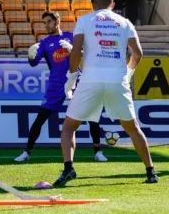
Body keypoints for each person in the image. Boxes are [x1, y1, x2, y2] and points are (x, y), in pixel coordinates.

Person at [52, 0, 159, 187]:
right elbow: (138, 53)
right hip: (117, 80)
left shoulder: (85, 20)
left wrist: (72, 74)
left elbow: (76, 51)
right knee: (133, 129)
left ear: (93, 3)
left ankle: (68, 169)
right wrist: (128, 73)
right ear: (113, 4)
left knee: (68, 127)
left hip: (91, 80)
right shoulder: (125, 22)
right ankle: (150, 171)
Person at [14, 11, 108, 162]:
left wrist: (73, 49)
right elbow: (34, 63)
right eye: (44, 23)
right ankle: (26, 152)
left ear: (57, 21)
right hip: (56, 84)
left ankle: (98, 151)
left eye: (49, 22)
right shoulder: (44, 43)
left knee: (92, 116)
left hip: (77, 80)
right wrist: (30, 56)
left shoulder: (71, 36)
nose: (46, 25)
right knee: (40, 118)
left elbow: (86, 53)